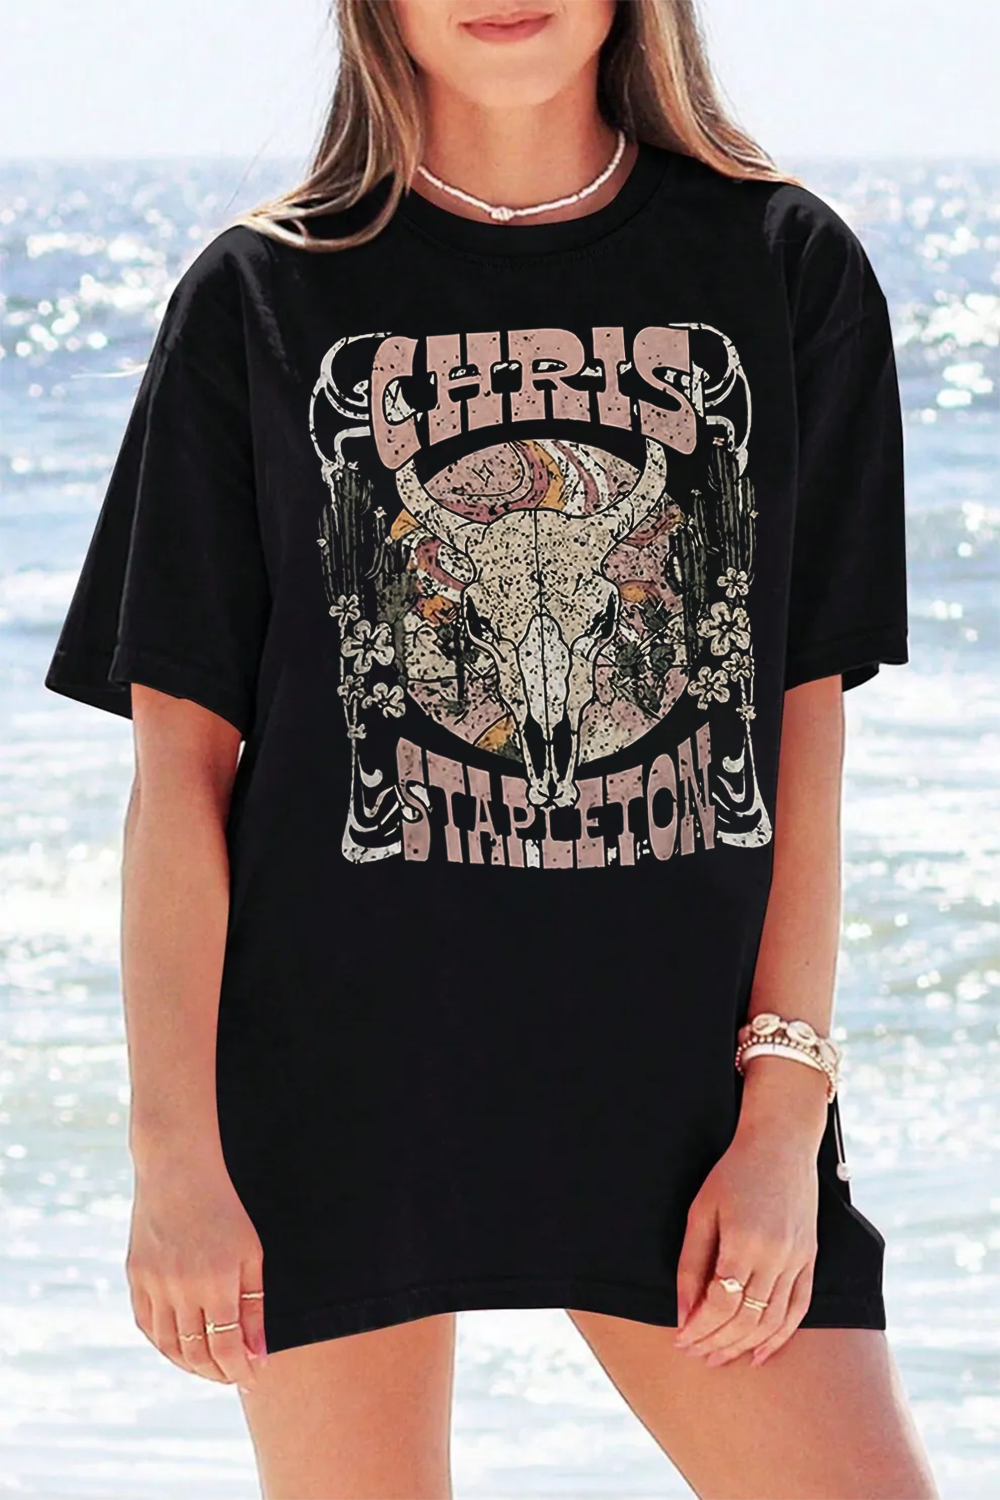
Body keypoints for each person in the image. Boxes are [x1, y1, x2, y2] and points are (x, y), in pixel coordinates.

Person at [44, 0, 940, 1494]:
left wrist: (783, 1122)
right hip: (335, 1097)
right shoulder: (259, 297)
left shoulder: (784, 269)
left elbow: (802, 739)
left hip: (682, 1102)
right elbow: (179, 783)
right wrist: (175, 1161)